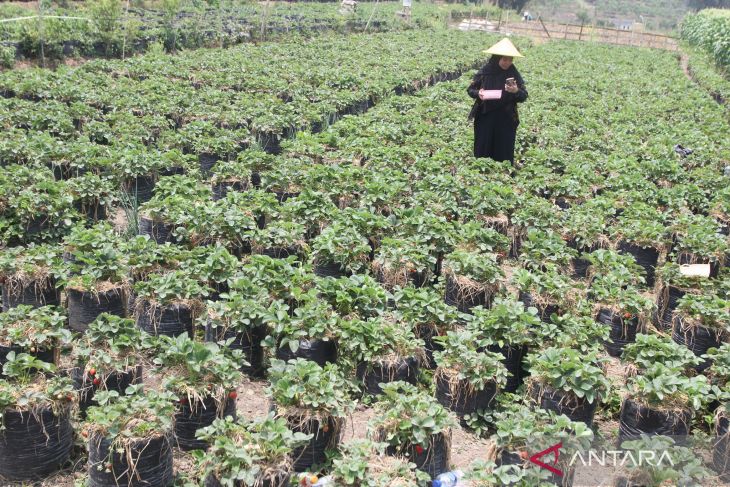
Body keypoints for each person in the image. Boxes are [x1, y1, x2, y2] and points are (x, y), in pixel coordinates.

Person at [467, 38, 528, 163]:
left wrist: (516, 91)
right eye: (504, 59)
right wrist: (479, 93)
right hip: (486, 116)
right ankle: (481, 172)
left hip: (506, 118)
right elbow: (470, 90)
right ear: (497, 58)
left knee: (503, 148)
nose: (507, 63)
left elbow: (524, 96)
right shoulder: (485, 72)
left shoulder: (513, 74)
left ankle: (503, 173)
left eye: (510, 60)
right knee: (484, 146)